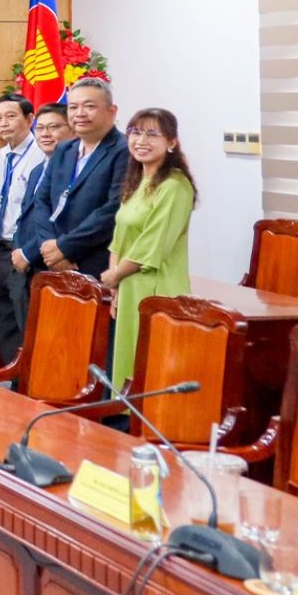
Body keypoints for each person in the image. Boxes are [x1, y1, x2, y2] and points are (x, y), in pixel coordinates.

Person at [104, 108, 196, 387]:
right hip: (129, 285)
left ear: (171, 142)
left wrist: (115, 275)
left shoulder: (175, 186)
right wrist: (116, 285)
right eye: (135, 132)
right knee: (126, 364)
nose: (141, 140)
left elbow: (151, 247)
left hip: (156, 287)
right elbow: (119, 237)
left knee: (148, 368)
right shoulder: (137, 181)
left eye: (152, 134)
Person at [17, 77, 132, 279]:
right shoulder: (64, 149)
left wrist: (65, 248)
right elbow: (42, 201)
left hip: (96, 263)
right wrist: (50, 247)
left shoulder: (124, 151)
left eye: (89, 106)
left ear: (111, 111)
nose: (80, 113)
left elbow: (113, 210)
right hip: (52, 262)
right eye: (73, 107)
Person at [0, 93, 46, 363]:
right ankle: (11, 373)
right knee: (3, 319)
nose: (3, 123)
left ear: (29, 119)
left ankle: (27, 378)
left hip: (27, 250)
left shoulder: (42, 155)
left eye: (11, 116)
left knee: (26, 319)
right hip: (0, 249)